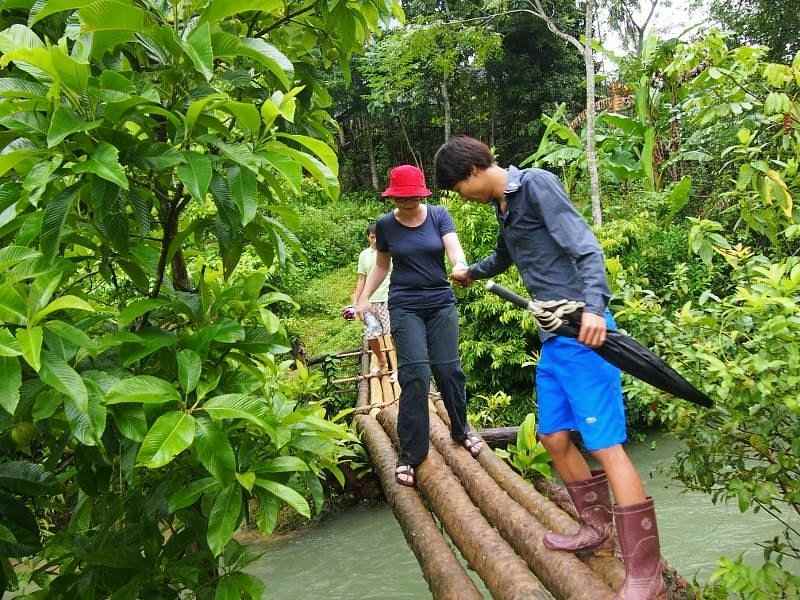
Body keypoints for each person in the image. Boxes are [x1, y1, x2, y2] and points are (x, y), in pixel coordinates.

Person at [435, 136, 665, 600]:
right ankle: (594, 526)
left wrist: (597, 308)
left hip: (585, 331)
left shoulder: (536, 184)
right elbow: (506, 257)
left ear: (474, 171)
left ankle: (646, 568)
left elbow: (585, 248)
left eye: (458, 187)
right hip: (554, 338)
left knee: (606, 446)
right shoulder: (504, 207)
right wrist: (472, 272)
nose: (461, 197)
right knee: (554, 437)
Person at [355, 164, 483, 488]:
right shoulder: (385, 225)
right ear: (392, 196)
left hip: (440, 302)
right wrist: (364, 297)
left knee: (448, 370)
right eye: (401, 198)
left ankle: (461, 429)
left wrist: (459, 267)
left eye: (412, 197)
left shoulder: (439, 215)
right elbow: (382, 266)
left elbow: (454, 249)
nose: (408, 203)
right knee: (414, 375)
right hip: (404, 304)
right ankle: (411, 454)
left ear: (421, 193)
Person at [350, 223, 394, 380]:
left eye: (378, 237)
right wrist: (357, 301)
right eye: (372, 237)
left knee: (392, 335)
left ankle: (397, 368)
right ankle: (382, 361)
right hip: (369, 301)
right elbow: (361, 279)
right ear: (368, 238)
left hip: (388, 298)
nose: (375, 240)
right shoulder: (364, 255)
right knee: (372, 333)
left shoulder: (391, 252)